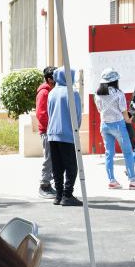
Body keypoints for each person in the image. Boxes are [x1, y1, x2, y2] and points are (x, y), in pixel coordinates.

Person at [94, 68, 135, 190]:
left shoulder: (97, 94)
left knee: (109, 154)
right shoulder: (118, 93)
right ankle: (132, 181)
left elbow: (100, 110)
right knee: (127, 153)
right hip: (118, 125)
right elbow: (125, 116)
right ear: (115, 80)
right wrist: (133, 116)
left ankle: (112, 180)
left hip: (105, 126)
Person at [46, 67, 84, 206]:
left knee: (57, 166)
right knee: (71, 166)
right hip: (67, 133)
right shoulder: (72, 92)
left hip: (52, 133)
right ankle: (68, 195)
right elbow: (77, 115)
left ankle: (59, 195)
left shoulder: (52, 92)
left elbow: (49, 112)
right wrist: (76, 129)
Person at [34, 66, 56, 198]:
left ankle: (49, 184)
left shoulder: (52, 90)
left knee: (53, 159)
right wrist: (51, 127)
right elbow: (41, 114)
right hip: (48, 131)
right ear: (49, 79)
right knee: (49, 159)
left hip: (53, 130)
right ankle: (44, 185)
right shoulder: (44, 93)